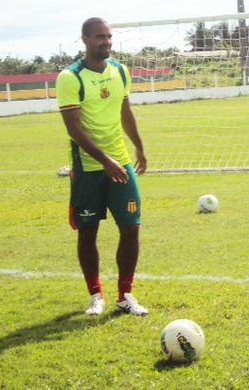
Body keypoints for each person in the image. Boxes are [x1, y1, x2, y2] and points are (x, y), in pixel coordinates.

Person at [56, 17, 148, 316]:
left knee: (131, 228)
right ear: (84, 39)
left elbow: (125, 111)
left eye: (108, 37)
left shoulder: (120, 70)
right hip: (88, 168)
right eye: (99, 37)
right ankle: (96, 295)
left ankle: (125, 295)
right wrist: (103, 161)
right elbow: (74, 129)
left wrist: (139, 146)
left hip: (120, 163)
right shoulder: (70, 77)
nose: (106, 42)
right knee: (88, 232)